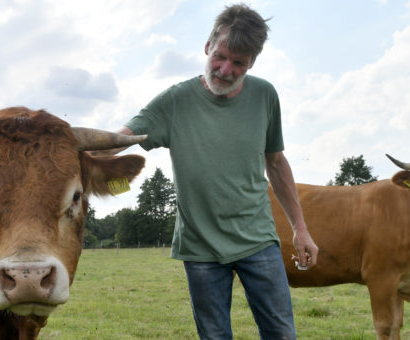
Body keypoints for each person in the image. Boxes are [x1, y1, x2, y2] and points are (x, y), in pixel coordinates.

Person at [97, 4, 318, 339]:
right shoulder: (175, 100)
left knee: (282, 333)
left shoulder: (264, 95)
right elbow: (119, 140)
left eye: (239, 63)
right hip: (201, 248)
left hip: (258, 240)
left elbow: (276, 162)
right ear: (207, 46)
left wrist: (300, 229)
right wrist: (58, 144)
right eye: (220, 56)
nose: (226, 69)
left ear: (252, 63)